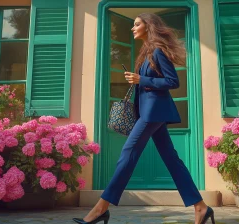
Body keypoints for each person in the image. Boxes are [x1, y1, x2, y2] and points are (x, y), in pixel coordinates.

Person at [73, 13, 215, 224]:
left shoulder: (158, 51)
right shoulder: (147, 52)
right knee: (172, 160)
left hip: (153, 113)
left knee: (128, 153)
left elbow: (172, 81)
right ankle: (201, 207)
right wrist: (138, 80)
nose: (133, 28)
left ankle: (101, 208)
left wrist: (142, 79)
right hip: (150, 112)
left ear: (148, 26)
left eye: (137, 24)